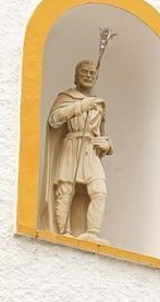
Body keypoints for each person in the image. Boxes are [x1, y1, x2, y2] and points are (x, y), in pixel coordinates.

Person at [45, 58, 113, 240]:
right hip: (71, 145)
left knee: (99, 190)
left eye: (92, 73)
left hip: (90, 150)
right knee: (65, 190)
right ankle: (65, 233)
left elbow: (102, 134)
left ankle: (92, 233)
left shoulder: (99, 103)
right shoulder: (66, 97)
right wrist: (81, 106)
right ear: (76, 76)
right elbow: (54, 119)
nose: (88, 76)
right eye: (84, 72)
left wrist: (107, 145)